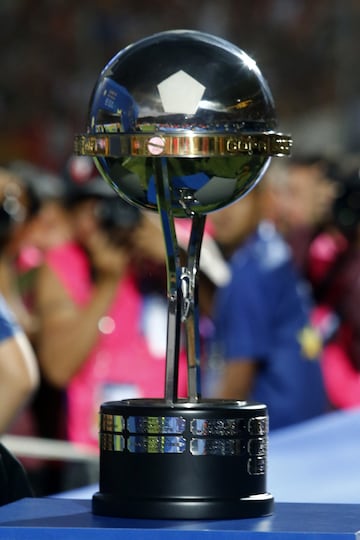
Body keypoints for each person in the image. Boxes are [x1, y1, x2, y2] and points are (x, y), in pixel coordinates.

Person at [34, 157, 189, 451]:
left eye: (116, 204)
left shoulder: (164, 259)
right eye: (89, 208)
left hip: (173, 441)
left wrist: (178, 259)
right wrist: (107, 281)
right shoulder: (64, 264)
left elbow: (227, 325)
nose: (102, 220)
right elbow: (58, 368)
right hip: (97, 450)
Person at [205, 179, 328, 431]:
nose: (224, 211)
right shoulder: (270, 250)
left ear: (263, 198)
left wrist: (204, 440)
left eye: (237, 197)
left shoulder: (250, 271)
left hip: (278, 438)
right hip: (303, 429)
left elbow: (237, 378)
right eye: (215, 200)